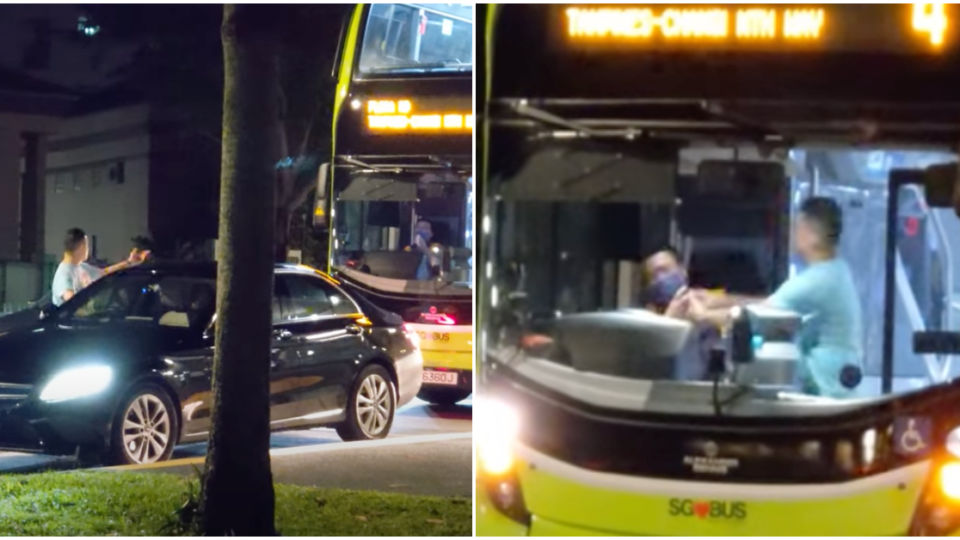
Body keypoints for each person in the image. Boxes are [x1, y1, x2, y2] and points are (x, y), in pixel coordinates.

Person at [683, 197, 863, 398]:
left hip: (827, 390)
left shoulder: (818, 280)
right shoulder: (835, 270)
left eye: (798, 227)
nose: (794, 234)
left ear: (812, 235)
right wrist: (719, 300)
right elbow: (773, 304)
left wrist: (703, 315)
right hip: (834, 384)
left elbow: (760, 317)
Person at [51, 228, 148, 306]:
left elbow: (104, 273)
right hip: (71, 328)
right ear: (81, 246)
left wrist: (129, 262)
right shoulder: (64, 273)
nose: (88, 249)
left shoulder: (81, 267)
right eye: (86, 245)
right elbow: (71, 302)